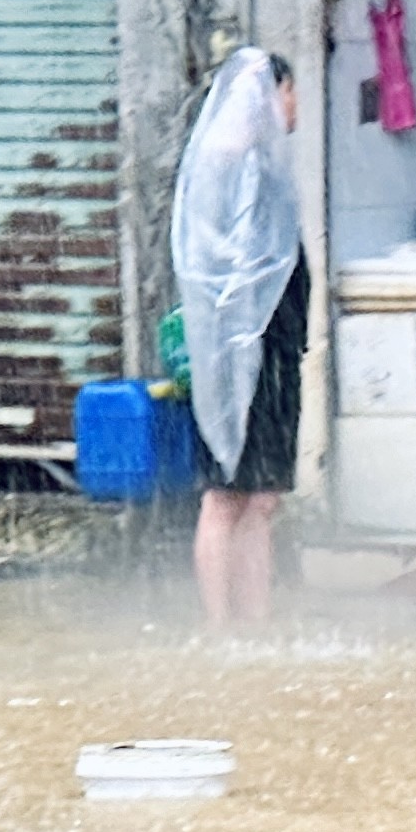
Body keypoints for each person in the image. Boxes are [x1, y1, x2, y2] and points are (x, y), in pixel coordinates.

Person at [173, 49, 308, 627]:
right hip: (239, 356)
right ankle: (221, 628)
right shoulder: (232, 166)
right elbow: (225, 265)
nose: (294, 104)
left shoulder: (257, 163)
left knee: (261, 498)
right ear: (267, 94)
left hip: (270, 349)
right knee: (227, 495)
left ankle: (254, 626)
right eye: (289, 91)